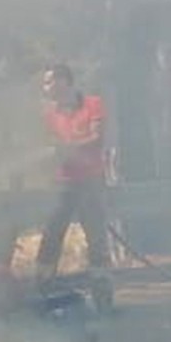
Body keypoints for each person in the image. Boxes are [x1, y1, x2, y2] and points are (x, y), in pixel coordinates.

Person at [33, 62, 113, 306]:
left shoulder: (93, 104)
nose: (46, 88)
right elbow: (45, 146)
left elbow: (97, 138)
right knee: (51, 235)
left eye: (49, 82)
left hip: (91, 181)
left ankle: (102, 298)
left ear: (64, 81)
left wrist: (68, 148)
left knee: (96, 238)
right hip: (63, 182)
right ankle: (43, 289)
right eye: (45, 83)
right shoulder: (49, 115)